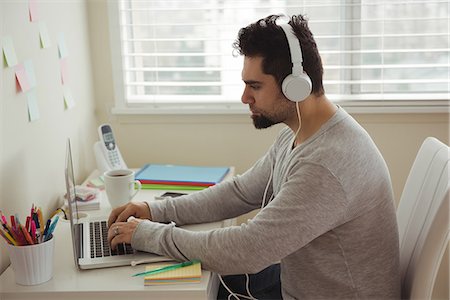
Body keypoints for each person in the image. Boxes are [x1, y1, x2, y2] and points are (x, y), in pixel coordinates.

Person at [107, 14, 400, 299]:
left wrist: (147, 235)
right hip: (300, 283)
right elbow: (241, 192)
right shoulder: (299, 131)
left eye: (255, 86)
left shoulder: (326, 164)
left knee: (189, 286)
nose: (245, 97)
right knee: (206, 279)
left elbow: (249, 249)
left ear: (296, 85)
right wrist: (155, 211)